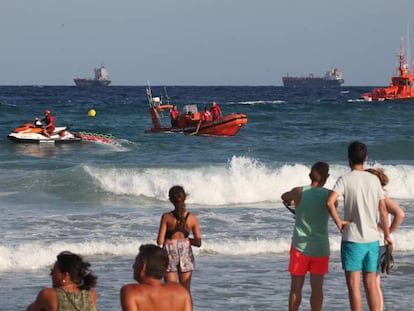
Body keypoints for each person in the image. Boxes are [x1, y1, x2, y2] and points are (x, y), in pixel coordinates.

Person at [326, 141, 392, 311]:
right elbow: (383, 210)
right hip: (371, 240)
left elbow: (329, 202)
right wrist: (387, 234)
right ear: (366, 158)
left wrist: (338, 221)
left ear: (348, 158)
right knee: (371, 285)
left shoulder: (345, 179)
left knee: (354, 286)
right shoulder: (374, 180)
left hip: (352, 239)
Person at [281, 161, 334, 311]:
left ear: (310, 175)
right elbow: (333, 206)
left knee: (296, 289)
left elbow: (284, 197)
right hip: (320, 248)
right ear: (326, 177)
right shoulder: (329, 195)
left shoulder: (299, 192)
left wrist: (294, 201)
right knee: (317, 290)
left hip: (300, 247)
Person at [366, 168, 405, 311]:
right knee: (374, 282)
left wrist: (387, 231)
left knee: (374, 283)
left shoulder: (380, 196)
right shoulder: (376, 195)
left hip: (379, 242)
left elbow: (400, 214)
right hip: (379, 242)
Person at [157, 185, 202, 297]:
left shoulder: (166, 217)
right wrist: (185, 240)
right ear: (185, 197)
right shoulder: (192, 218)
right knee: (185, 291)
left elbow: (159, 241)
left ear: (170, 199)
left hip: (169, 251)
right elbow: (198, 242)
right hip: (185, 251)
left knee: (170, 291)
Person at [120, 244, 192, 311]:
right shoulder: (181, 291)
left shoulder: (131, 292)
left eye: (136, 262)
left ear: (143, 267)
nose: (133, 266)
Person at [26, 251, 98, 311]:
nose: (51, 274)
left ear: (65, 275)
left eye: (53, 271)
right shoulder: (91, 294)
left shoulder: (48, 294)